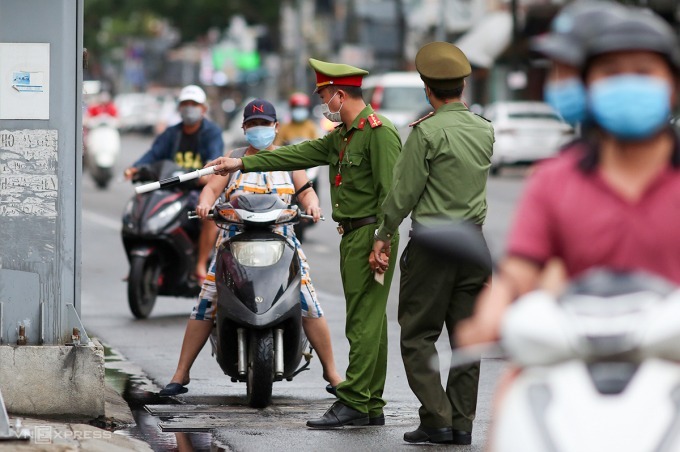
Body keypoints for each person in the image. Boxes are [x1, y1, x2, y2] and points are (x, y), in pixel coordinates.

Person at [457, 8, 680, 356]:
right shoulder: (554, 179)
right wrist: (490, 315)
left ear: (673, 87)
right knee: (512, 391)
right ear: (589, 86)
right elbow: (519, 272)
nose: (625, 84)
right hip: (577, 368)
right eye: (610, 73)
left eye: (643, 72)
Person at [206, 58, 402, 428]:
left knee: (363, 322)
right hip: (354, 235)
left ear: (340, 95)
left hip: (371, 235)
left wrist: (383, 240)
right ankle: (371, 403)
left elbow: (392, 194)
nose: (323, 104)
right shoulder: (343, 135)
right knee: (369, 322)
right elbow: (296, 154)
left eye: (326, 96)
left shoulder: (378, 132)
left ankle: (356, 402)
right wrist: (241, 166)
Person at [158, 99, 342, 397]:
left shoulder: (289, 159)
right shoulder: (231, 161)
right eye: (254, 125)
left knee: (308, 300)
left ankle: (333, 375)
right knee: (206, 302)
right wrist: (205, 203)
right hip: (233, 244)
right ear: (244, 128)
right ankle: (181, 374)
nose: (260, 130)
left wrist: (314, 206)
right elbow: (211, 188)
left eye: (265, 124)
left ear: (276, 127)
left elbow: (306, 191)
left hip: (283, 245)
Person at [371, 42, 494, 445]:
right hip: (474, 247)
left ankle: (437, 418)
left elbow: (403, 194)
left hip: (432, 247)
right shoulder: (484, 129)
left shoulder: (426, 133)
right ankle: (461, 426)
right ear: (462, 86)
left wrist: (382, 235)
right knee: (467, 337)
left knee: (418, 335)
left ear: (428, 89)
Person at [124, 84, 223, 283]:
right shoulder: (172, 133)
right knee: (135, 211)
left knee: (209, 217)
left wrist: (205, 174)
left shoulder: (212, 133)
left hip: (196, 190)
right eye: (185, 104)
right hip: (169, 188)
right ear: (179, 108)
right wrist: (135, 168)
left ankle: (200, 264)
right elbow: (153, 155)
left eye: (193, 104)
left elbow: (214, 159)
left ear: (203, 108)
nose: (189, 108)